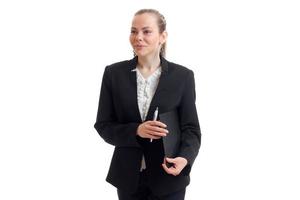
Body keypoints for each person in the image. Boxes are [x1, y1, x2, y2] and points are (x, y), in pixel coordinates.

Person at [94, 9, 201, 200]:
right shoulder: (113, 74)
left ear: (163, 36)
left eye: (146, 31)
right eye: (134, 31)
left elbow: (191, 129)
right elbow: (103, 125)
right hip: (128, 178)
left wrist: (185, 158)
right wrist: (137, 131)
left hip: (169, 176)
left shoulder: (183, 76)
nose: (138, 37)